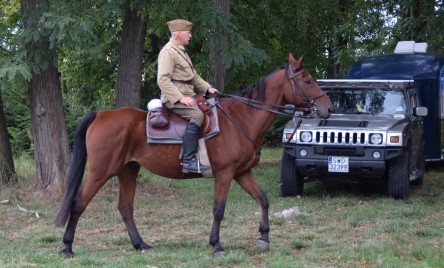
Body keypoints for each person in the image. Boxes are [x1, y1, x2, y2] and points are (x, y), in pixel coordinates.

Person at [157, 19, 219, 174]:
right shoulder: (168, 52)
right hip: (173, 99)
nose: (190, 35)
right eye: (188, 32)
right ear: (178, 34)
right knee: (197, 115)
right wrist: (180, 98)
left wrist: (208, 88)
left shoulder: (181, 51)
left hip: (188, 96)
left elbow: (194, 77)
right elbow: (162, 79)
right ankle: (188, 161)